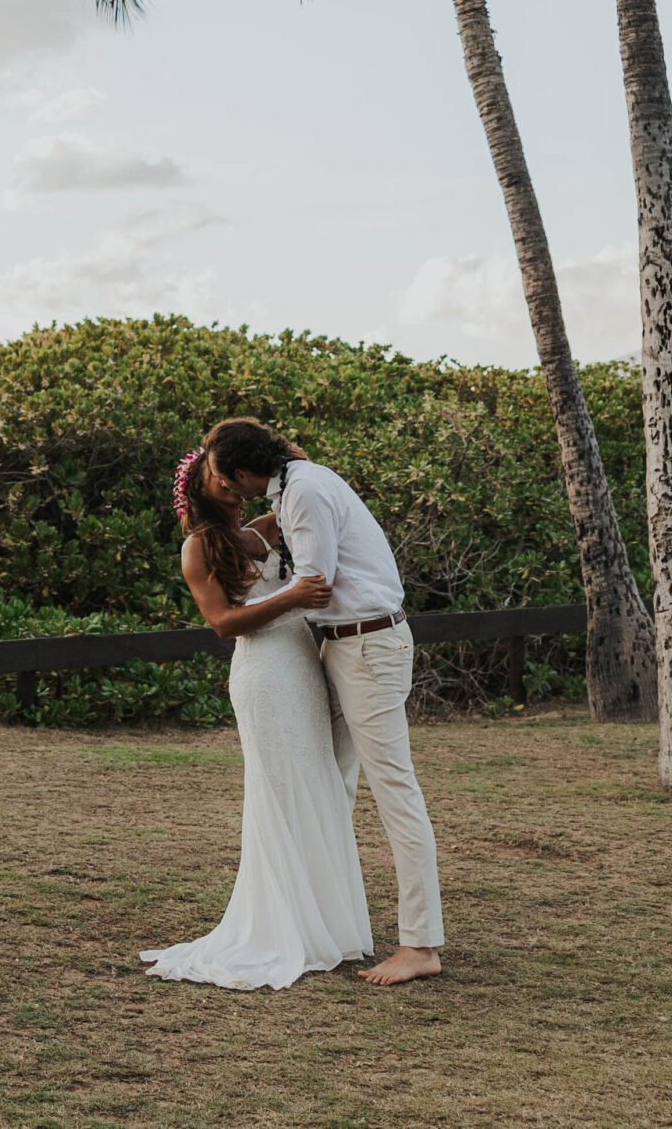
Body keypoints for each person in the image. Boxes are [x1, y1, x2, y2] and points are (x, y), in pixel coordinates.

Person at [205, 417, 445, 986]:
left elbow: (318, 583)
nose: (218, 481)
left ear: (242, 472)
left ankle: (421, 944)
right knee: (328, 782)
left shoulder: (305, 490)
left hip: (367, 646)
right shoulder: (295, 485)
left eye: (220, 471)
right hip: (340, 646)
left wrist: (260, 605)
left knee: (394, 788)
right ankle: (325, 922)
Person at [139, 442, 370, 990]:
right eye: (224, 487)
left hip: (300, 667)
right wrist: (293, 597)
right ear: (201, 488)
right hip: (264, 675)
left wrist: (296, 460)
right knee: (280, 790)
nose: (237, 495)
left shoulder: (258, 532)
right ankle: (282, 925)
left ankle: (326, 924)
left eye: (237, 483)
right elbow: (222, 622)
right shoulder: (197, 548)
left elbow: (299, 497)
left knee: (316, 782)